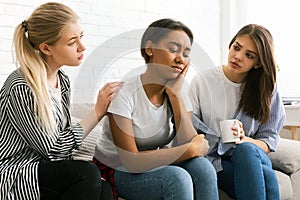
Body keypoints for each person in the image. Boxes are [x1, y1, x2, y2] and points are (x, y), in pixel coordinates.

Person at [0, 2, 123, 200]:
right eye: (72, 42)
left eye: (81, 37)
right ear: (46, 48)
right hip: (18, 174)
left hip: (48, 172)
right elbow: (52, 150)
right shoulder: (22, 86)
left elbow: (63, 143)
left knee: (104, 189)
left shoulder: (62, 81)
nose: (82, 46)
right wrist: (97, 112)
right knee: (87, 174)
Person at [93, 18, 219, 200]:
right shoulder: (124, 93)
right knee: (177, 178)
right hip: (117, 168)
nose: (180, 59)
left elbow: (189, 142)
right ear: (150, 48)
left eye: (185, 53)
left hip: (153, 163)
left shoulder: (180, 90)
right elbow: (131, 160)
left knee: (203, 168)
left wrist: (175, 96)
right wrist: (190, 150)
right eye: (173, 49)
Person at [189, 24, 285, 200]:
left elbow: (268, 141)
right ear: (231, 44)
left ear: (258, 63)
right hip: (217, 160)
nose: (238, 56)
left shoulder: (266, 91)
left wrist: (244, 140)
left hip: (253, 156)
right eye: (237, 47)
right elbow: (189, 127)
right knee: (268, 177)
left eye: (249, 55)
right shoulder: (203, 81)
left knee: (246, 150)